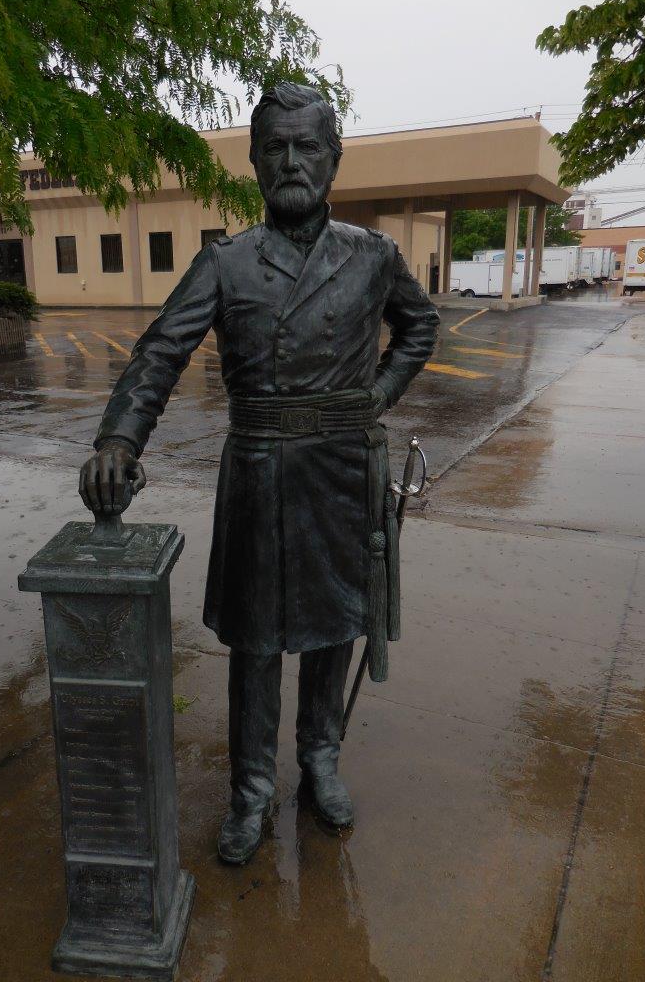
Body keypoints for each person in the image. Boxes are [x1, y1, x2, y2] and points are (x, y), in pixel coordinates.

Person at [79, 82, 439, 865]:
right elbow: (158, 355)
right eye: (274, 147)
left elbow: (420, 327)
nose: (291, 161)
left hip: (343, 472)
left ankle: (319, 762)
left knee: (334, 626)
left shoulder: (373, 255)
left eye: (307, 145)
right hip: (260, 473)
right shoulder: (227, 261)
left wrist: (374, 396)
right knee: (255, 641)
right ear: (254, 163)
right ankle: (249, 788)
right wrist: (119, 440)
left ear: (334, 157)